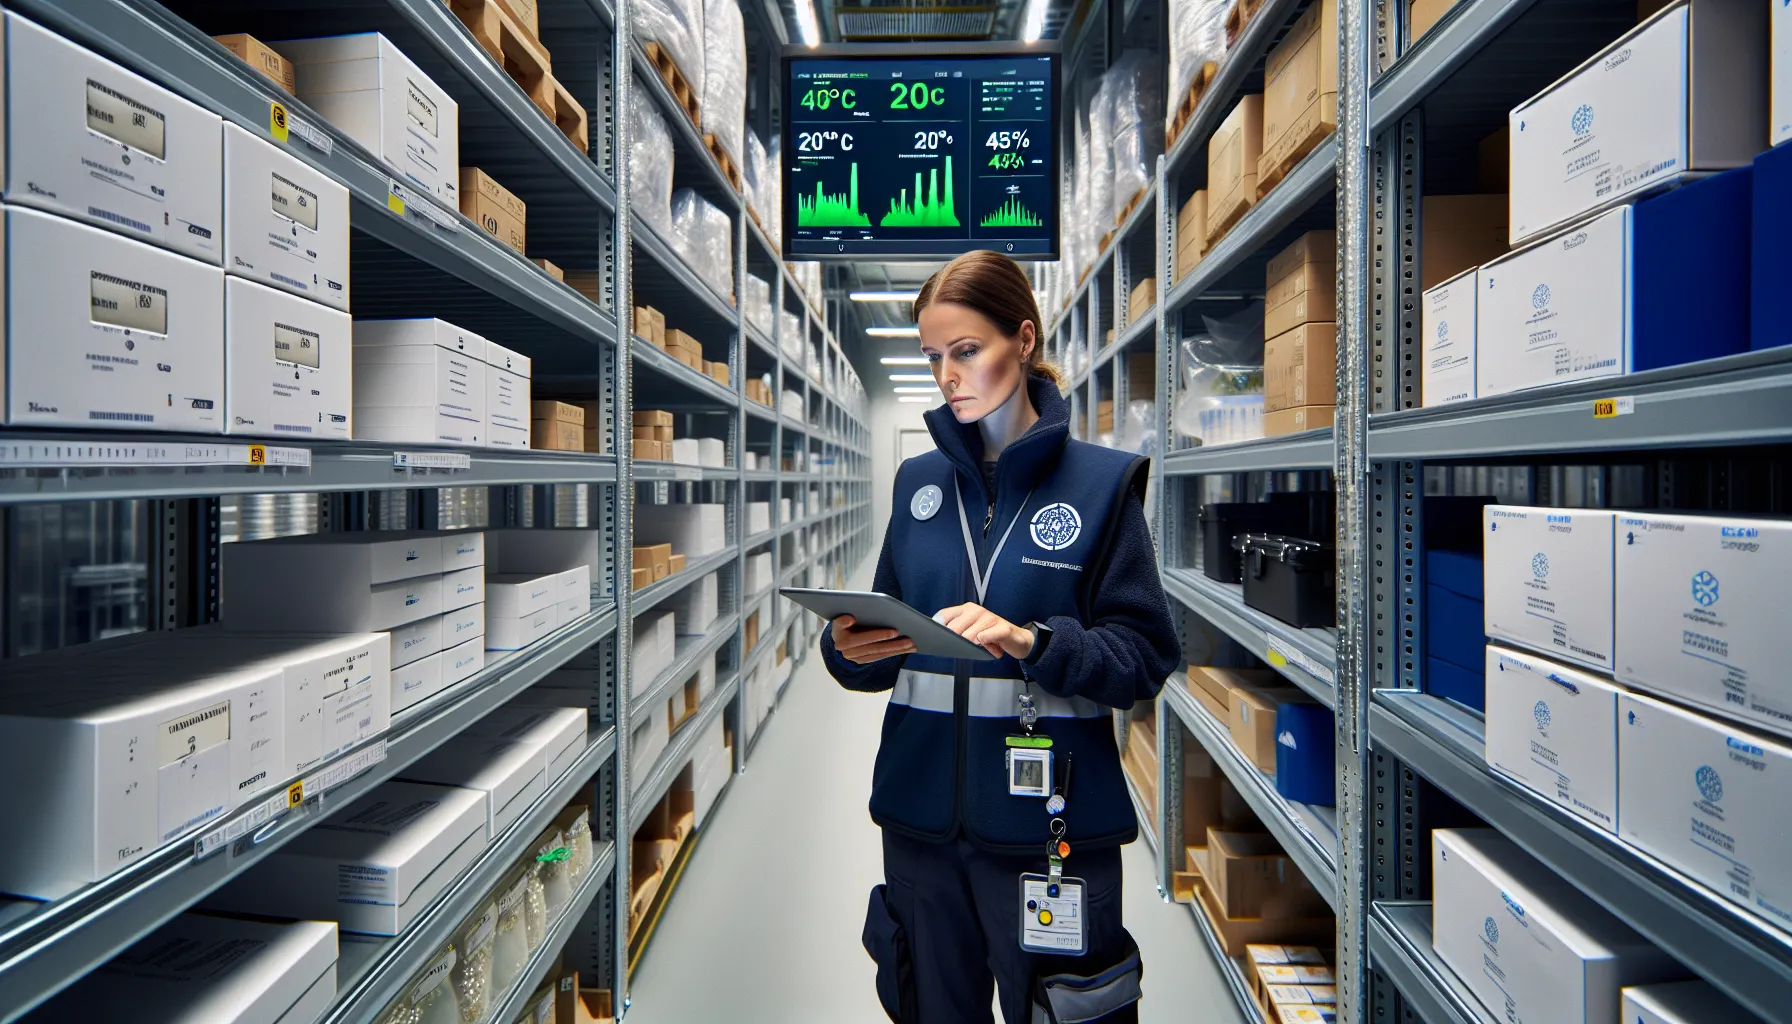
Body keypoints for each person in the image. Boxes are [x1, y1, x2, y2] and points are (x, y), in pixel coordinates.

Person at [820, 250, 1179, 1024]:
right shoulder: (917, 483)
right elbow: (879, 624)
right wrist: (846, 652)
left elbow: (1144, 655)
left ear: (1021, 340)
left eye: (966, 351)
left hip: (1048, 829)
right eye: (932, 358)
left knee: (1060, 1010)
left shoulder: (1101, 484)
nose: (948, 375)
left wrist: (1035, 642)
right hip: (920, 824)